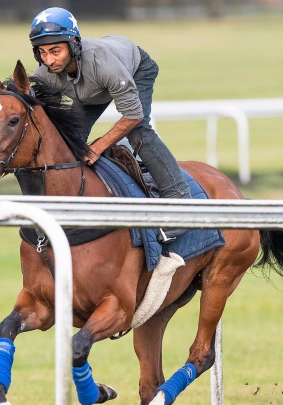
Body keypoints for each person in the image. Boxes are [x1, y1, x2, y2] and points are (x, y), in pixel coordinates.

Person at [28, 6, 192, 242]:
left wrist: (98, 146)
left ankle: (181, 204)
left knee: (139, 132)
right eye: (42, 53)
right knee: (66, 139)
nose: (49, 60)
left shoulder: (102, 63)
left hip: (134, 69)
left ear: (74, 44)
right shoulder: (45, 72)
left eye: (55, 51)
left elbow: (133, 115)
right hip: (90, 89)